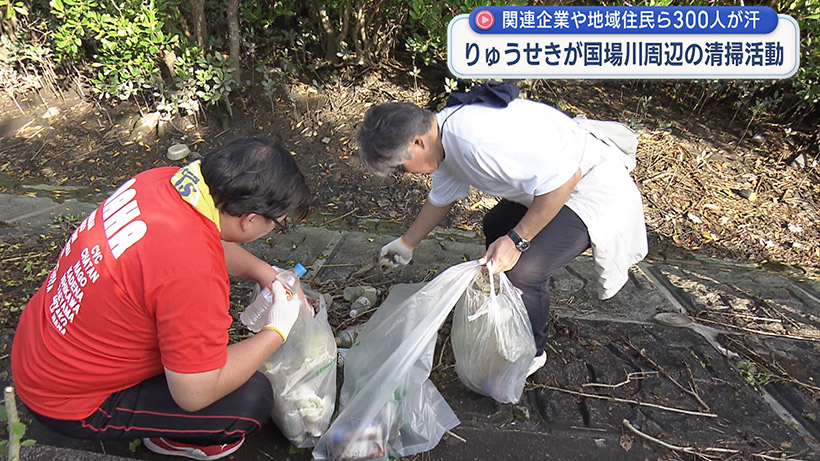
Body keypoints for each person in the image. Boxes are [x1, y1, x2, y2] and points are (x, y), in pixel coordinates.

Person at [11, 137, 311, 460]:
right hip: (67, 401)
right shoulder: (194, 271)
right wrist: (276, 331)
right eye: (276, 225)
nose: (273, 230)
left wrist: (265, 272)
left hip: (39, 347)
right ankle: (173, 440)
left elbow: (204, 237)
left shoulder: (165, 182)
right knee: (251, 400)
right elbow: (195, 394)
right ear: (250, 219)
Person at [357, 95, 647, 377]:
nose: (405, 173)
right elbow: (440, 198)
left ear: (417, 142)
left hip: (588, 189)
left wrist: (517, 242)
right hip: (550, 187)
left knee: (524, 268)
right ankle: (508, 314)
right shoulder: (443, 140)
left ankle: (532, 351)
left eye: (400, 166)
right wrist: (407, 243)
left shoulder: (477, 140)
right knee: (496, 225)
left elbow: (565, 179)